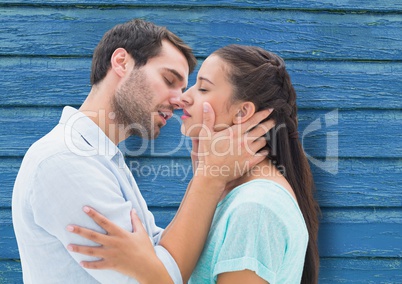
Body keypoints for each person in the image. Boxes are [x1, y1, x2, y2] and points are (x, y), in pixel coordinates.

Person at [12, 19, 273, 284]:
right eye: (169, 79)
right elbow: (159, 277)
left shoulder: (104, 158)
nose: (180, 99)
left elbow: (156, 251)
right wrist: (209, 178)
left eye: (184, 88)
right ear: (122, 62)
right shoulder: (66, 161)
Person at [67, 45, 321, 283]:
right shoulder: (236, 194)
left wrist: (145, 270)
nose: (182, 98)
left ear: (242, 113)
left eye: (203, 88)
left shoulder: (255, 208)